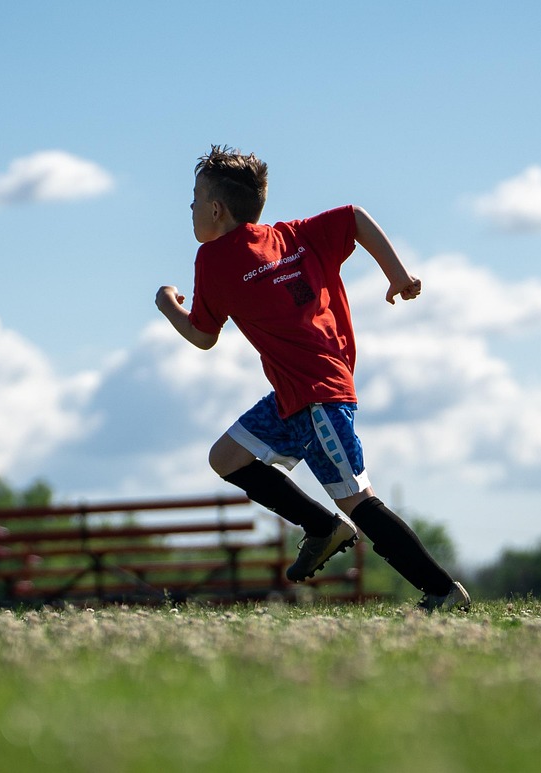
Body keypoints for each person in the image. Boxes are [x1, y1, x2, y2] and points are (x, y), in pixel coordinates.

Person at [155, 145, 470, 612]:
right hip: (295, 395)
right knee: (227, 457)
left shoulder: (214, 259)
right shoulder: (295, 236)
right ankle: (322, 528)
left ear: (216, 210)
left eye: (196, 198)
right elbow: (356, 218)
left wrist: (167, 305)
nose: (191, 207)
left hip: (317, 397)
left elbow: (203, 336)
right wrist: (397, 274)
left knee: (358, 499)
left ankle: (443, 591)